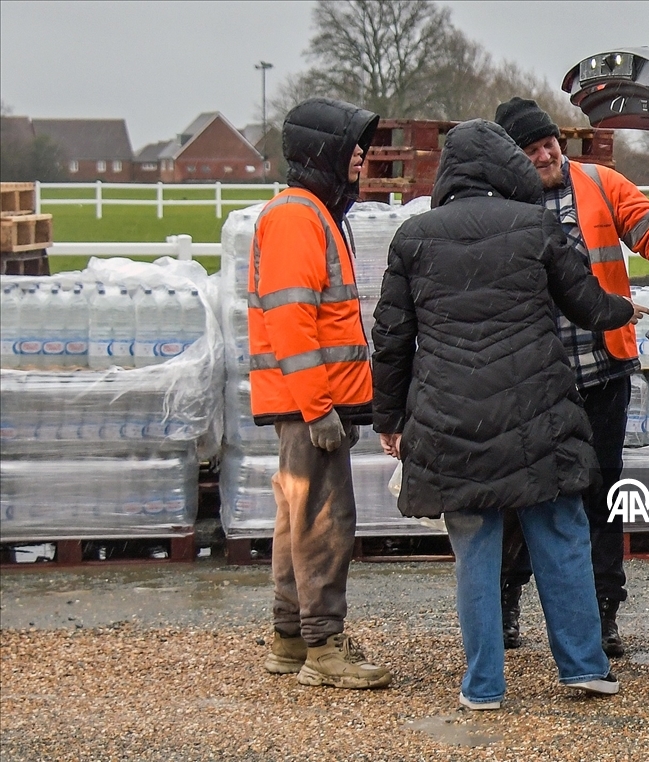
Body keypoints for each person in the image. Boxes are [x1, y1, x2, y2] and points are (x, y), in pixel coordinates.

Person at [371, 119, 649, 710]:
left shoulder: (413, 236)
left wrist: (389, 419)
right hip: (537, 413)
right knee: (562, 533)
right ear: (505, 168)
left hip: (450, 418)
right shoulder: (535, 226)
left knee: (476, 547)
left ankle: (483, 686)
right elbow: (587, 304)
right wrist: (630, 307)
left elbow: (393, 339)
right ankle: (583, 667)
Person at [494, 97, 649, 657]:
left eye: (550, 142)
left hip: (601, 374)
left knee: (603, 493)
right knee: (521, 495)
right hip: (532, 382)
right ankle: (504, 603)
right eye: (532, 147)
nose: (546, 154)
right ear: (512, 156)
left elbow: (646, 223)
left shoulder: (598, 182)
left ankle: (601, 613)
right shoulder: (501, 202)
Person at [248, 97, 391, 689]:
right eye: (353, 145)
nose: (361, 155)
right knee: (324, 525)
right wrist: (318, 407)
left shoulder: (311, 214)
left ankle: (289, 638)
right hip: (312, 407)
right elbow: (292, 321)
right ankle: (323, 647)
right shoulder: (297, 217)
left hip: (314, 404)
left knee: (297, 521)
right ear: (323, 151)